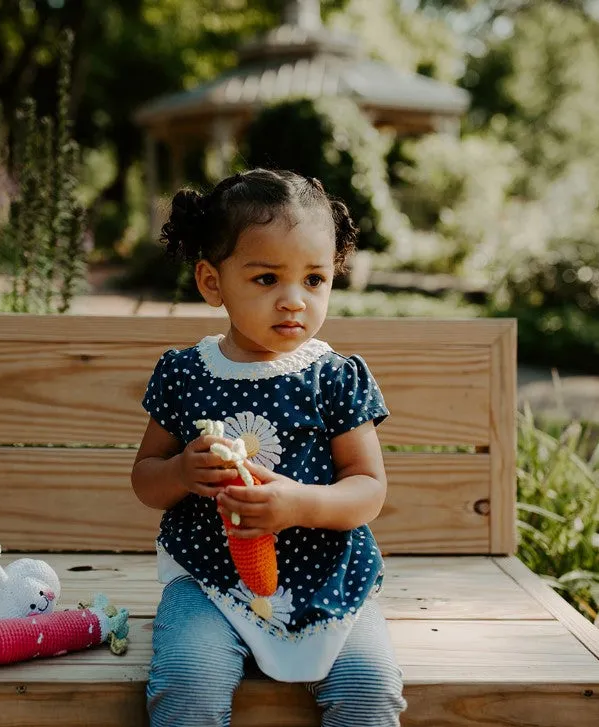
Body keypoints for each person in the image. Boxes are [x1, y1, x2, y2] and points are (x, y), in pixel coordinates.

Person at [131, 168, 407, 727]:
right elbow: (145, 477)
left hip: (330, 578)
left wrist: (300, 504)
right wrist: (183, 472)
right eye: (266, 280)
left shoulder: (334, 376)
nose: (293, 301)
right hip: (210, 581)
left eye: (314, 280)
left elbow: (368, 489)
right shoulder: (186, 374)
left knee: (368, 688)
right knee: (187, 680)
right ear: (212, 282)